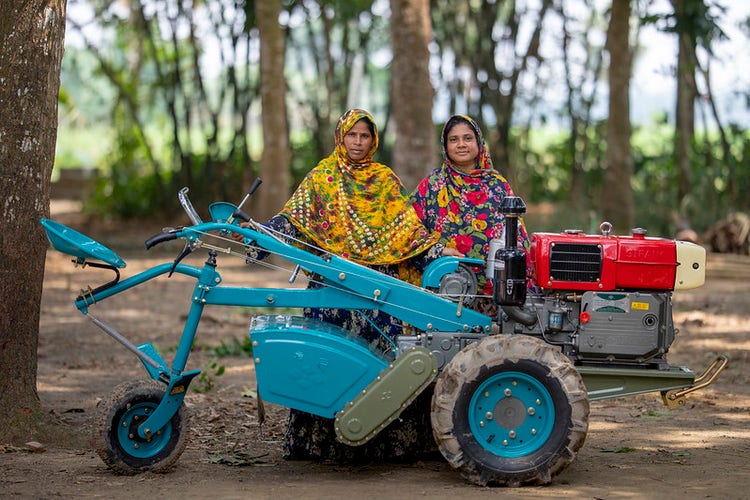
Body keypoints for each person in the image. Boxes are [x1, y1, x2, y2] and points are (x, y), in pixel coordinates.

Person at [242, 109, 447, 463]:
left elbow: (407, 230)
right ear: (341, 137)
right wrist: (263, 234)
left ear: (374, 140)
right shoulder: (323, 176)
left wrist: (439, 257)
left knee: (383, 361)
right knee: (324, 360)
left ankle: (385, 445)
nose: (357, 142)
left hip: (380, 291)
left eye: (364, 136)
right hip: (330, 288)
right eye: (352, 135)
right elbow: (293, 218)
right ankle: (322, 444)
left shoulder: (384, 180)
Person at [411, 114, 531, 317]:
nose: (461, 145)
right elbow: (409, 231)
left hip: (495, 296)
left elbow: (517, 235)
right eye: (453, 139)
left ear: (478, 143)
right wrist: (439, 250)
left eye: (467, 138)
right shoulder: (432, 185)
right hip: (447, 290)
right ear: (445, 146)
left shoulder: (497, 185)